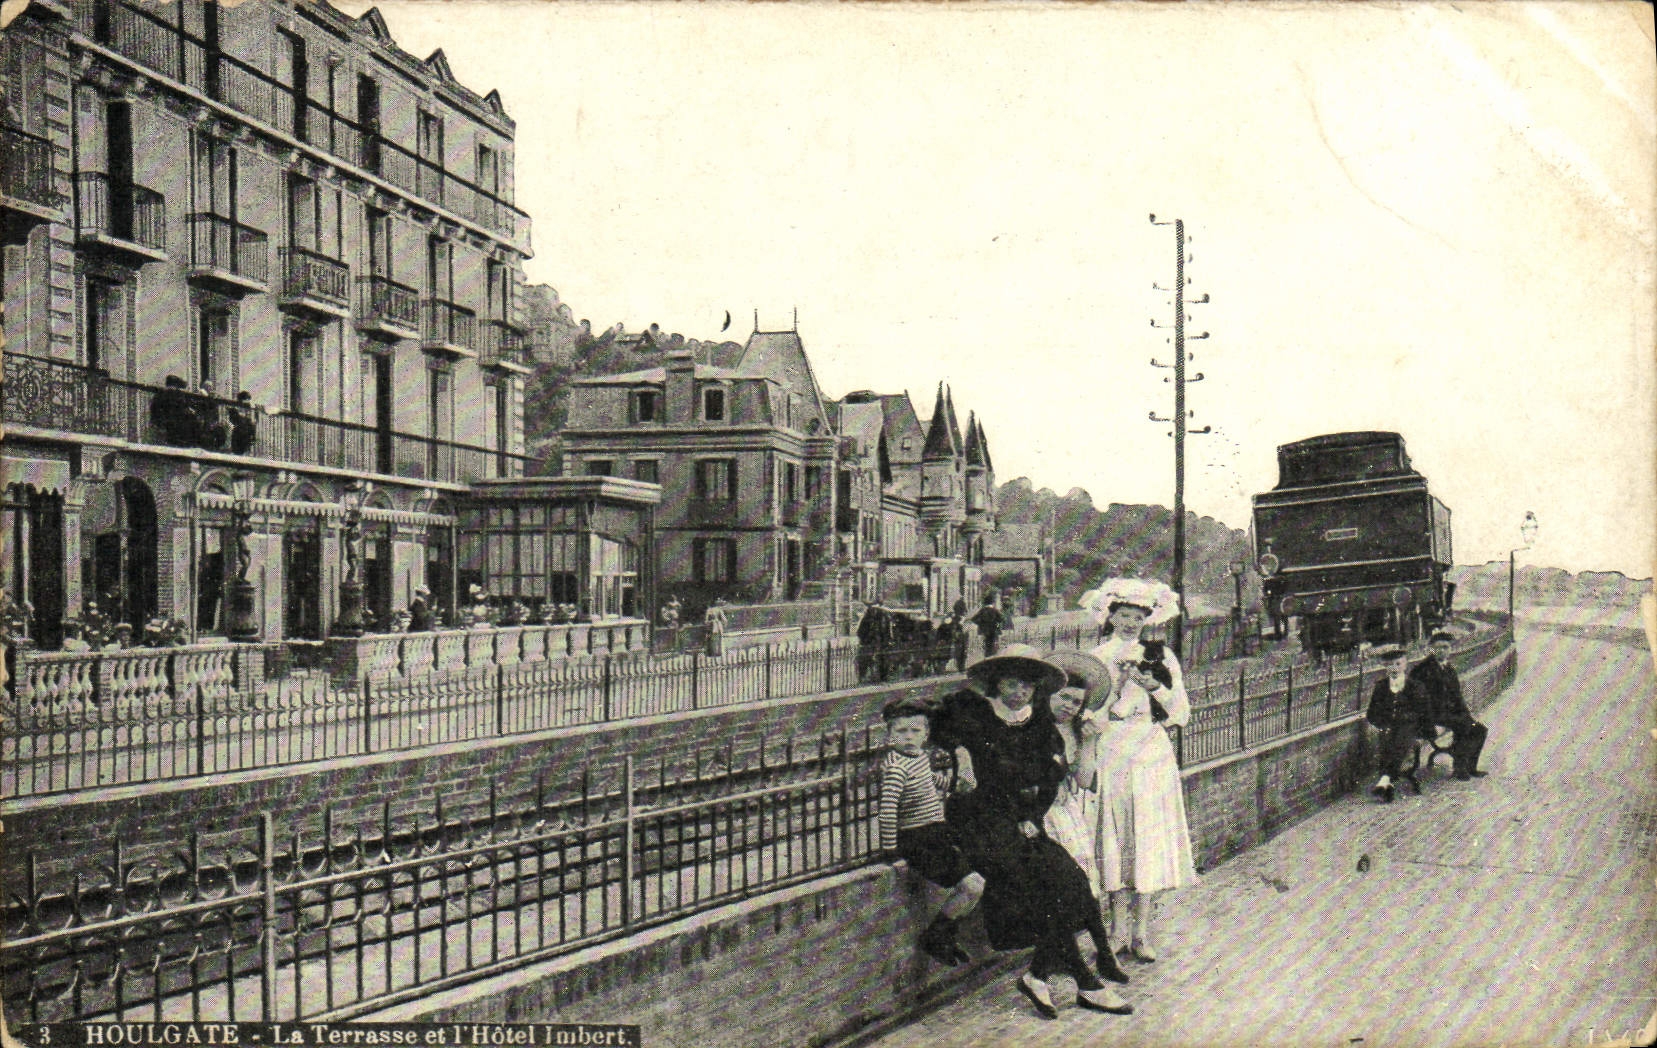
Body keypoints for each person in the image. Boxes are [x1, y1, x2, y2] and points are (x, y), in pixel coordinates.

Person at [931, 643, 1131, 1020]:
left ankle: (1039, 976)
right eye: (1011, 683)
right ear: (996, 682)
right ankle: (1086, 982)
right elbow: (937, 726)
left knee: (1074, 882)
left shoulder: (1037, 726)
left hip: (1018, 822)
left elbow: (1048, 779)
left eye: (1027, 686)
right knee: (1043, 889)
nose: (1019, 692)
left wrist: (1030, 813)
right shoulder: (970, 710)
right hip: (976, 823)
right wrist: (960, 753)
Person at [1084, 578, 1197, 964]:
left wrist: (1154, 688)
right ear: (1111, 617)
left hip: (1149, 750)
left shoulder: (1160, 654)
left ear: (1147, 619)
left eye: (1138, 616)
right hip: (1112, 749)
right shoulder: (1098, 655)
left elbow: (1180, 712)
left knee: (1144, 835)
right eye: (1124, 615)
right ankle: (1116, 931)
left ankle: (1141, 932)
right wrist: (1113, 691)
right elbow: (1089, 710)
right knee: (1116, 834)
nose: (1131, 622)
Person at [878, 695, 985, 966]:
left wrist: (952, 785)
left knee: (976, 881)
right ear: (890, 734)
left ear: (926, 734)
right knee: (972, 886)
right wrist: (890, 849)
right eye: (901, 731)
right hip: (917, 840)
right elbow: (888, 811)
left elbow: (929, 781)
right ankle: (937, 936)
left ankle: (942, 936)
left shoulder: (919, 757)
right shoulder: (895, 769)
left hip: (935, 833)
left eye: (916, 730)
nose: (909, 737)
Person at [1042, 649, 1115, 897]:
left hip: (1064, 811)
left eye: (1077, 702)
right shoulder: (1031, 726)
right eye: (1064, 697)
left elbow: (1084, 781)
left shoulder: (1073, 731)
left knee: (1079, 873)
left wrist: (1089, 743)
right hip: (1036, 809)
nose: (1069, 706)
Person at [1409, 631, 1488, 780]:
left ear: (1450, 649)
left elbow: (1457, 697)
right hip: (1429, 717)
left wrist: (1467, 716)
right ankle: (1459, 768)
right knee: (1462, 726)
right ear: (1431, 649)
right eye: (1438, 647)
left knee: (1479, 730)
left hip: (1446, 715)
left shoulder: (1449, 669)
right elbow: (1417, 701)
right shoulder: (1422, 670)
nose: (1442, 650)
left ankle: (1470, 767)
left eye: (1446, 647)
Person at [1367, 645, 1435, 801]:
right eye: (1390, 664)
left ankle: (1385, 779)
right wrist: (1379, 724)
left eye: (1398, 664)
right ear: (1385, 666)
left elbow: (1425, 713)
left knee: (1401, 738)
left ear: (1405, 665)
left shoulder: (1416, 686)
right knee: (1386, 738)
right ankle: (1386, 783)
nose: (1394, 668)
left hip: (1411, 727)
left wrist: (1423, 734)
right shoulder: (1381, 687)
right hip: (1389, 726)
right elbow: (1372, 713)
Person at [151, 375, 200, 446]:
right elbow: (182, 408)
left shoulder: (159, 394)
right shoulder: (176, 394)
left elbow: (154, 408)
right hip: (175, 425)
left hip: (163, 423)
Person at [195, 380, 229, 451]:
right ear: (205, 386)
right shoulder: (201, 392)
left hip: (211, 418)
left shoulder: (210, 395)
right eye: (209, 386)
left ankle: (217, 447)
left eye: (211, 386)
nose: (211, 388)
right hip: (205, 418)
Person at [970, 591, 1005, 658]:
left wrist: (981, 624)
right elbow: (1001, 619)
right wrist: (997, 624)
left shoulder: (982, 611)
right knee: (994, 644)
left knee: (986, 645)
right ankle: (993, 656)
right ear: (992, 602)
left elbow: (974, 619)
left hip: (985, 631)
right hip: (994, 631)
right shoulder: (995, 610)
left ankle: (987, 656)